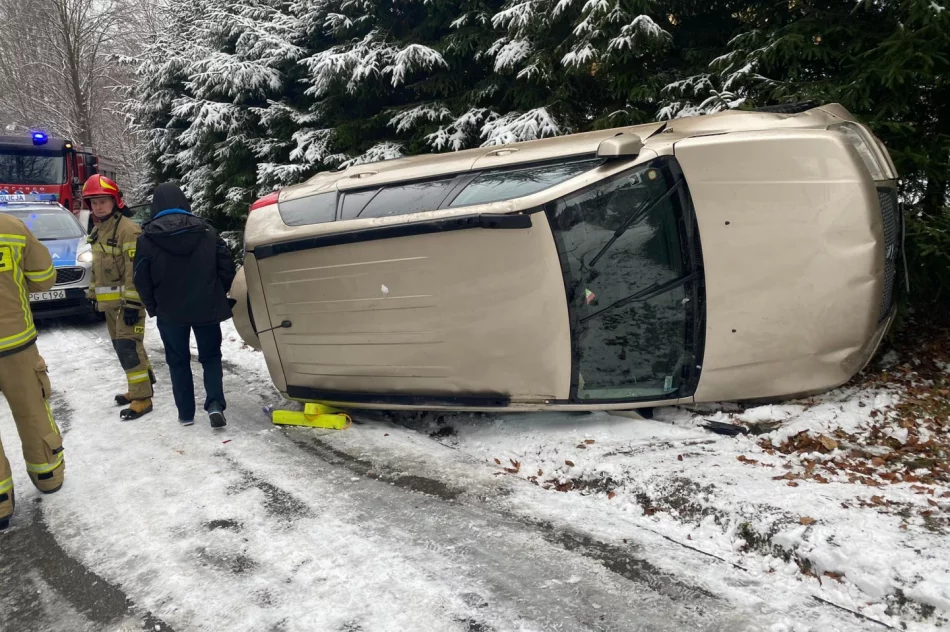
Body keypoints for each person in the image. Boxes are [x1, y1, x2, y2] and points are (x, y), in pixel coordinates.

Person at [133, 183, 236, 428]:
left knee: (177, 361)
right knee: (210, 357)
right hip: (207, 306)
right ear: (184, 202)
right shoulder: (208, 231)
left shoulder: (147, 239)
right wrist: (218, 292)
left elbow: (140, 279)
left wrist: (153, 306)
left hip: (170, 312)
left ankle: (186, 414)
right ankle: (214, 405)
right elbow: (227, 267)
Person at [0, 212, 64, 530]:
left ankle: (0, 505)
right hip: (17, 345)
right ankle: (48, 476)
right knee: (33, 412)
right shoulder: (12, 228)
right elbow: (44, 278)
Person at [83, 174, 154, 420]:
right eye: (93, 202)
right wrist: (93, 295)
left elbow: (136, 271)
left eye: (103, 200)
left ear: (116, 201)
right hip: (111, 306)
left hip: (128, 305)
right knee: (125, 347)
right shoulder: (98, 230)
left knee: (128, 348)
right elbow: (98, 268)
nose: (98, 206)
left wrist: (134, 304)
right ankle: (142, 386)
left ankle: (143, 398)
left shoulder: (128, 230)